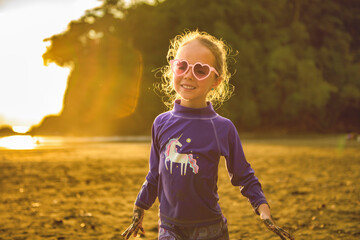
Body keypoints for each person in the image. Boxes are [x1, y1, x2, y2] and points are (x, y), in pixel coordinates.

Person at [122, 30, 294, 240]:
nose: (188, 75)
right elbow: (154, 175)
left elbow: (244, 176)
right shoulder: (161, 123)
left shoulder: (222, 127)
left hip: (209, 231)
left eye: (200, 70)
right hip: (168, 228)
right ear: (173, 69)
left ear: (216, 80)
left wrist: (263, 210)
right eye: (182, 66)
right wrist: (138, 210)